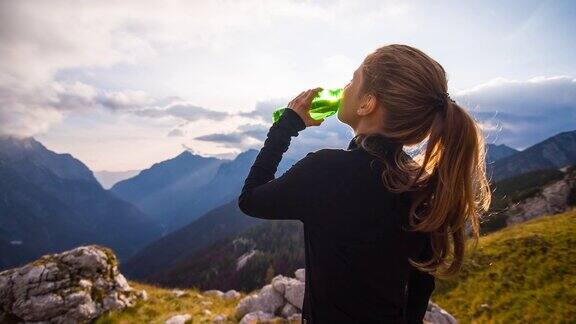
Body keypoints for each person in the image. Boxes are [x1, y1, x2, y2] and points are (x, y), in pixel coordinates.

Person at [237, 44, 492, 323]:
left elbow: (250, 199)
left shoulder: (327, 171)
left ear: (366, 104)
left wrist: (286, 126)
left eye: (353, 79)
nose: (345, 87)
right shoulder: (420, 187)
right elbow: (419, 292)